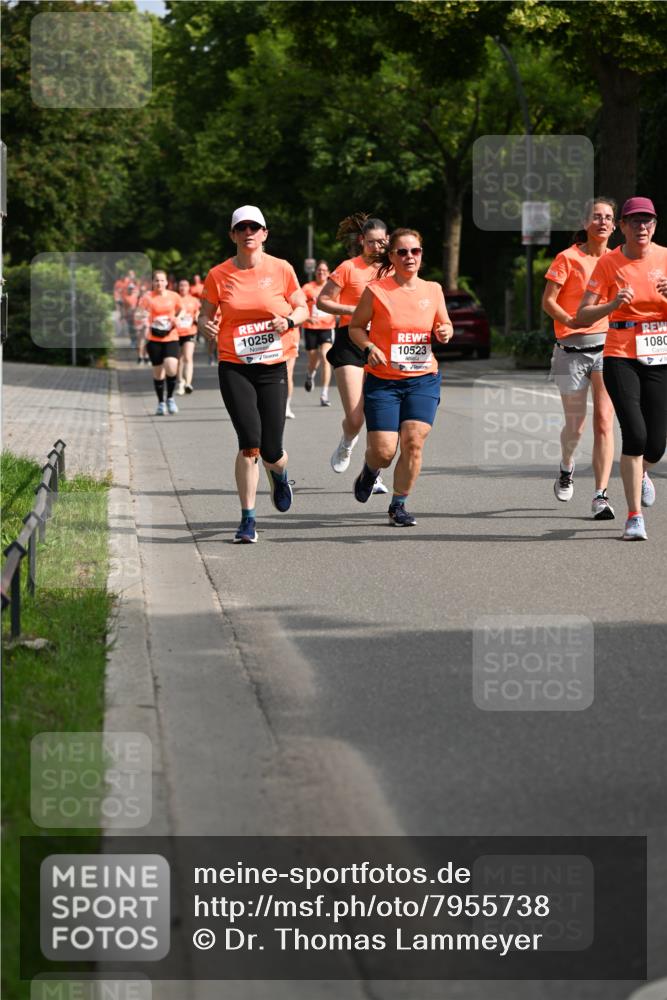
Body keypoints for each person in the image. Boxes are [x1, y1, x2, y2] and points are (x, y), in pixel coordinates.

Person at [197, 205, 309, 543]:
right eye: (241, 228)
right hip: (235, 365)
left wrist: (288, 320)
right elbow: (204, 315)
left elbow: (303, 308)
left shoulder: (282, 269)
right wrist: (206, 326)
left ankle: (280, 474)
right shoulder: (218, 275)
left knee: (271, 450)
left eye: (254, 228)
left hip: (273, 365)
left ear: (264, 234)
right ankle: (247, 519)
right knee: (250, 444)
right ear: (233, 235)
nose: (248, 233)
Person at [576, 196, 667, 540]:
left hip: (660, 353)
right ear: (623, 227)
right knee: (636, 434)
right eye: (635, 221)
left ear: (654, 225)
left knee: (656, 445)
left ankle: (641, 473)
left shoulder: (665, 258)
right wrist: (612, 303)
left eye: (648, 221)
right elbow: (582, 314)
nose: (642, 227)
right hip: (619, 353)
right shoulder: (609, 263)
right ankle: (634, 517)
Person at [348, 228, 453, 525]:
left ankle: (399, 504)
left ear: (421, 255)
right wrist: (368, 347)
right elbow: (355, 327)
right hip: (383, 381)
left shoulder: (432, 289)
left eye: (415, 251)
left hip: (422, 378)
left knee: (414, 441)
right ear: (392, 256)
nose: (410, 257)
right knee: (383, 452)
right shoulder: (377, 290)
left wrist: (445, 331)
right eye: (403, 252)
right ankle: (370, 471)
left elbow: (444, 325)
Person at [542, 198, 617, 519]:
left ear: (615, 226)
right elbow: (548, 301)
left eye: (608, 218)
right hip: (570, 350)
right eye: (596, 217)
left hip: (607, 348)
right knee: (576, 425)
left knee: (604, 422)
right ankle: (567, 465)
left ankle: (601, 495)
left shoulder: (619, 260)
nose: (602, 222)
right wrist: (570, 322)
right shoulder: (568, 258)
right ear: (585, 222)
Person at [317, 213, 389, 493]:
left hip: (382, 343)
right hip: (350, 340)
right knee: (356, 416)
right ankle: (347, 442)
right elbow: (323, 301)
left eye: (382, 242)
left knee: (379, 415)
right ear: (362, 241)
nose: (377, 248)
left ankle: (374, 475)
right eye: (371, 242)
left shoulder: (392, 270)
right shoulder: (348, 268)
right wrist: (353, 311)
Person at [137, 270, 183, 415]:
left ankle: (170, 398)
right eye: (156, 280)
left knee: (171, 367)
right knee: (158, 373)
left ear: (166, 282)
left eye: (162, 280)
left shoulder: (174, 296)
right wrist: (145, 319)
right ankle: (161, 403)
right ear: (152, 282)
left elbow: (182, 309)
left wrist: (178, 318)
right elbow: (139, 313)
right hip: (154, 338)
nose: (159, 283)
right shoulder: (147, 297)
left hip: (171, 336)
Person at [301, 260, 335, 406]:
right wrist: (307, 317)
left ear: (329, 273)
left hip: (327, 327)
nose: (321, 273)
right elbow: (299, 304)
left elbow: (338, 304)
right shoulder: (308, 287)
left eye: (324, 271)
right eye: (319, 270)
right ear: (316, 272)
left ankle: (324, 394)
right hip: (310, 328)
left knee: (326, 358)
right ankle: (310, 374)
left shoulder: (332, 288)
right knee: (314, 360)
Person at [175, 279, 201, 394]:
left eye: (185, 285)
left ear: (189, 287)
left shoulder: (194, 300)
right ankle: (180, 382)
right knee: (179, 359)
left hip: (190, 331)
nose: (183, 287)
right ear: (178, 287)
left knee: (188, 357)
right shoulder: (175, 299)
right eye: (181, 285)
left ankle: (188, 383)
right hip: (175, 333)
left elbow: (199, 312)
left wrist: (197, 316)